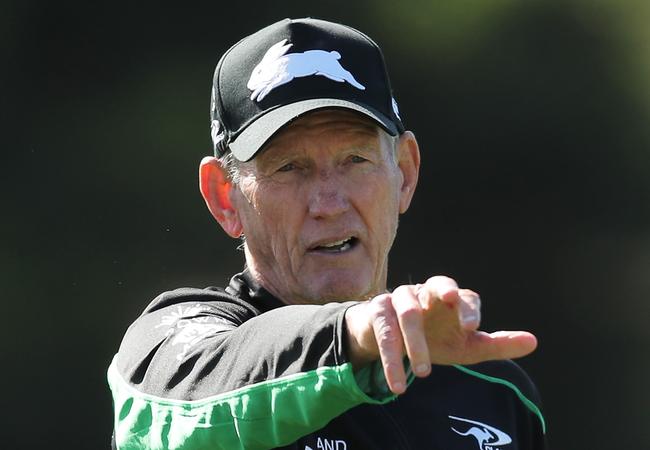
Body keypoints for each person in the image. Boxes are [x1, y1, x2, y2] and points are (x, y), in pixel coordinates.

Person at [107, 17, 547, 450]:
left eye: (355, 159)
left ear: (405, 173)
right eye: (289, 168)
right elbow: (182, 410)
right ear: (225, 198)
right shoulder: (172, 350)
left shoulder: (499, 395)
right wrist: (354, 335)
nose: (329, 203)